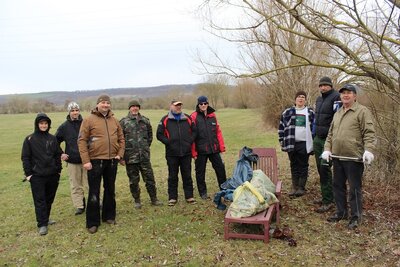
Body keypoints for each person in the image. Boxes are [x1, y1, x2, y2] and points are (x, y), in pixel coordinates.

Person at [322, 84, 376, 229]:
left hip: (353, 158)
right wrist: (327, 149)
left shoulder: (362, 111)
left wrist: (369, 150)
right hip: (337, 157)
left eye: (349, 93)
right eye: (343, 93)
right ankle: (341, 212)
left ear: (355, 96)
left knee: (354, 189)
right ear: (340, 96)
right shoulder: (338, 113)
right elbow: (330, 134)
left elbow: (369, 133)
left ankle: (356, 217)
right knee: (338, 186)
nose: (345, 95)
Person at [78, 94, 125, 234]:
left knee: (110, 189)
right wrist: (86, 161)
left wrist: (120, 154)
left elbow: (122, 139)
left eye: (108, 103)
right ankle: (92, 222)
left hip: (111, 160)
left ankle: (109, 216)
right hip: (95, 161)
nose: (105, 105)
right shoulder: (88, 120)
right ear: (98, 104)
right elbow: (81, 141)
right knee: (94, 191)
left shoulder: (115, 121)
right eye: (103, 103)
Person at [21, 113, 62, 236]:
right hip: (37, 176)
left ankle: (46, 218)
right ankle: (42, 224)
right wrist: (28, 174)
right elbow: (25, 157)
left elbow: (57, 155)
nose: (44, 125)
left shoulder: (52, 138)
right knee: (40, 200)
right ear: (37, 124)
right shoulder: (30, 139)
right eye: (41, 123)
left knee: (49, 198)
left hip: (52, 174)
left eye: (46, 123)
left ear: (48, 125)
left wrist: (58, 170)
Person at [119, 99, 162, 209]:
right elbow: (120, 140)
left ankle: (154, 199)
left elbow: (149, 136)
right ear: (129, 108)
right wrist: (122, 156)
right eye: (132, 106)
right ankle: (137, 200)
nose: (135, 108)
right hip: (130, 158)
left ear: (139, 108)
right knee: (133, 181)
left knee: (150, 179)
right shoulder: (123, 122)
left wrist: (145, 148)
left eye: (136, 106)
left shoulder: (145, 121)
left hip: (144, 157)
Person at [156, 99, 197, 206]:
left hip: (186, 152)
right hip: (172, 153)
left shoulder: (187, 118)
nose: (178, 107)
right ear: (171, 106)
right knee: (172, 176)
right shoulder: (165, 119)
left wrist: (189, 141)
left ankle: (189, 196)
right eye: (176, 105)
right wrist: (168, 142)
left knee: (187, 175)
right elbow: (159, 134)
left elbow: (195, 131)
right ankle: (172, 197)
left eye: (179, 105)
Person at [279, 91, 315, 198]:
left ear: (305, 99)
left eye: (303, 97)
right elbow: (281, 127)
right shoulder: (287, 112)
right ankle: (294, 187)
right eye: (299, 97)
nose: (301, 98)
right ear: (295, 99)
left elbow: (314, 128)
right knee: (293, 165)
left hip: (305, 143)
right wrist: (282, 140)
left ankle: (301, 187)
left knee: (303, 165)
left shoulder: (310, 112)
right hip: (291, 143)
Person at [313, 76, 341, 213]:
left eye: (325, 85)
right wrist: (314, 135)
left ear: (331, 85)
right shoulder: (319, 99)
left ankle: (328, 200)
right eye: (321, 85)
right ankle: (326, 195)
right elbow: (316, 119)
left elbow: (339, 119)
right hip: (318, 138)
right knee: (320, 169)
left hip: (328, 140)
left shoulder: (336, 98)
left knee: (325, 169)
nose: (323, 87)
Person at [190, 95, 227, 200]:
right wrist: (193, 152)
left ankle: (224, 189)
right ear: (198, 104)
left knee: (220, 169)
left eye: (205, 103)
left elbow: (218, 132)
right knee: (200, 172)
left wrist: (221, 146)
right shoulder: (194, 116)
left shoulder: (212, 115)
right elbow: (191, 136)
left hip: (214, 148)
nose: (203, 105)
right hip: (200, 150)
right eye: (201, 104)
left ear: (208, 104)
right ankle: (203, 193)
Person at [55, 102, 88, 215]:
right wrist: (61, 153)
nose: (75, 112)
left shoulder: (86, 123)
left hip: (87, 160)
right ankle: (80, 205)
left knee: (90, 184)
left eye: (76, 110)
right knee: (75, 185)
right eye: (72, 110)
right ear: (69, 112)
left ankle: (95, 202)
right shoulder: (64, 127)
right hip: (73, 161)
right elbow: (55, 142)